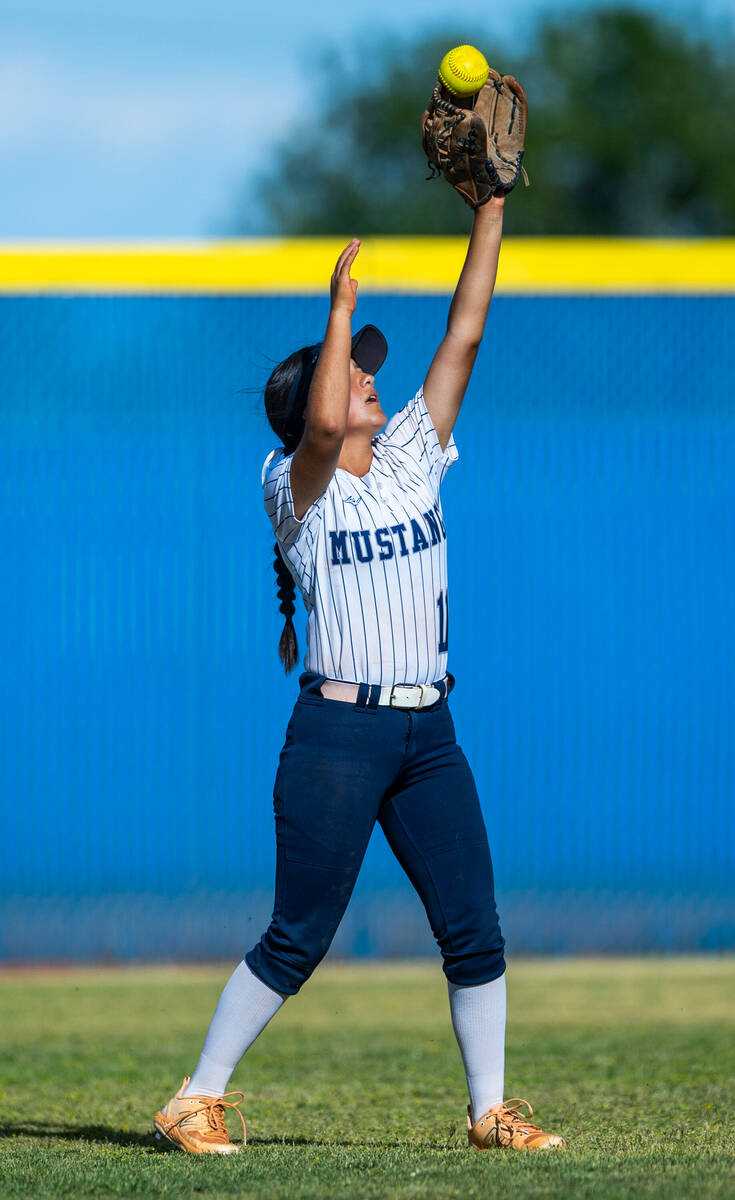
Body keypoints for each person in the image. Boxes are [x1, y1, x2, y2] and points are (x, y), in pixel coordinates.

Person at [153, 201, 565, 1155]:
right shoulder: (293, 487)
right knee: (298, 934)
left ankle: (488, 1111)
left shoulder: (413, 456)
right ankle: (194, 1096)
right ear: (308, 414)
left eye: (371, 365)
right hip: (338, 738)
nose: (371, 378)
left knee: (475, 928)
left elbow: (466, 328)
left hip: (429, 735)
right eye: (353, 371)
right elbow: (327, 416)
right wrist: (336, 310)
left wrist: (490, 209)